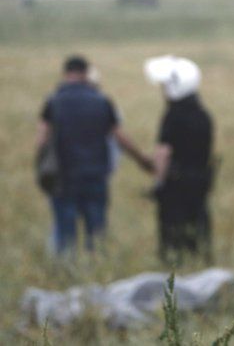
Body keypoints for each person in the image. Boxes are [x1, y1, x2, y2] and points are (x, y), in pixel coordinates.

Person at [37, 55, 153, 254]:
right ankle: (97, 273)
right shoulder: (101, 101)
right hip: (95, 174)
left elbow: (42, 140)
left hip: (64, 176)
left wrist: (42, 170)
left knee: (65, 232)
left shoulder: (53, 101)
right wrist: (142, 160)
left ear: (65, 73)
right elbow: (120, 137)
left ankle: (67, 277)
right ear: (86, 73)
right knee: (96, 232)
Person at [145, 55, 215, 263]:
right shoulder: (203, 114)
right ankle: (200, 262)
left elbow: (164, 151)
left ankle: (175, 266)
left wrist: (158, 181)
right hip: (199, 179)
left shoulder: (173, 115)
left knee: (172, 231)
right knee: (197, 226)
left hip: (176, 183)